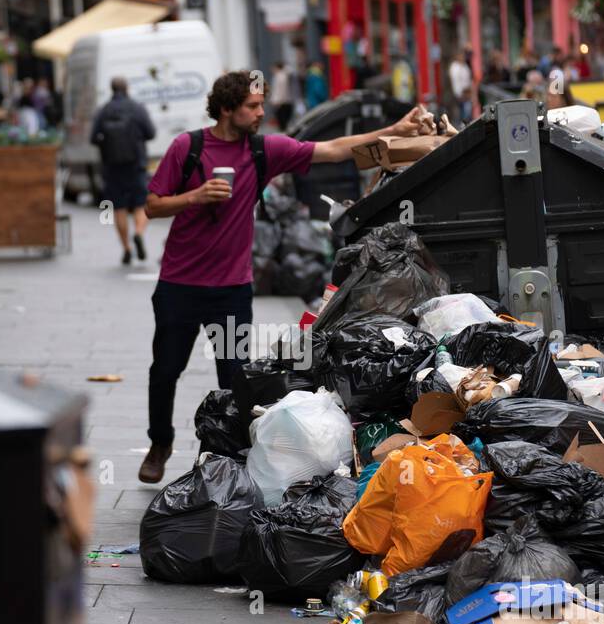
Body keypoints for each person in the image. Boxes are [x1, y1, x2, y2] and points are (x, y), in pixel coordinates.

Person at [136, 71, 425, 483]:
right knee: (165, 369)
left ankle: (226, 460)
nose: (260, 113)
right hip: (179, 286)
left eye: (261, 105)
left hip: (231, 290)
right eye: (252, 107)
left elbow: (334, 149)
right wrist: (195, 197)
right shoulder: (189, 147)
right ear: (226, 109)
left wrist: (395, 130)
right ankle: (160, 442)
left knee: (234, 376)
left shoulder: (263, 151)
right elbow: (151, 205)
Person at [90, 77, 156, 264]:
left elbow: (93, 138)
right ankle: (139, 233)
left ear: (111, 89)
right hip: (136, 164)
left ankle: (126, 247)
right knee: (141, 204)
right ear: (126, 88)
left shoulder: (103, 111)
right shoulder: (137, 108)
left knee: (118, 207)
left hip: (112, 167)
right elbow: (151, 133)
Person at [448, 52, 473, 124]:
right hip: (460, 93)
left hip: (467, 93)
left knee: (466, 111)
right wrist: (459, 93)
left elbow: (468, 79)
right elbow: (455, 82)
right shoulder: (455, 67)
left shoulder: (465, 66)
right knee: (464, 111)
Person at [270, 61, 294, 131]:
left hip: (281, 102)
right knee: (284, 121)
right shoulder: (285, 75)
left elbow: (280, 90)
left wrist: (277, 101)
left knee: (282, 121)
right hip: (286, 100)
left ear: (277, 67)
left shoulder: (279, 76)